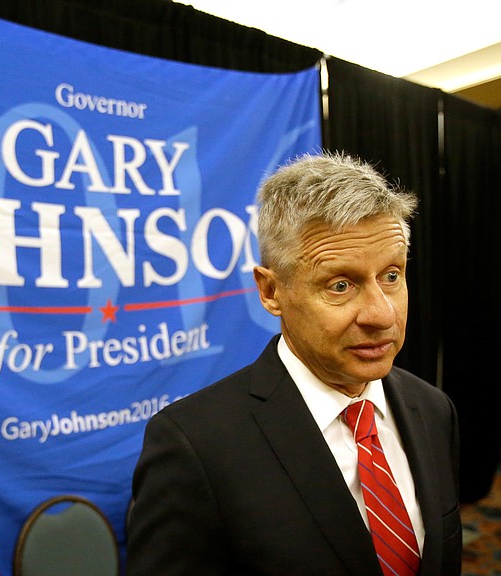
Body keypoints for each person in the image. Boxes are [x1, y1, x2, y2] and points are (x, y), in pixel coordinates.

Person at [125, 152, 461, 576]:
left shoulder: (433, 409)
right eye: (341, 285)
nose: (382, 314)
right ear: (270, 291)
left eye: (391, 276)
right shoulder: (193, 447)